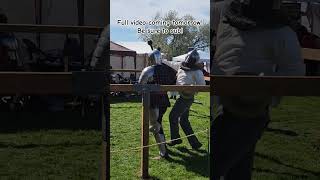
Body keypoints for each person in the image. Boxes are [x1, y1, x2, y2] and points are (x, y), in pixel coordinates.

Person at [211, 0, 305, 179]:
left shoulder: (281, 34)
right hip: (225, 106)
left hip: (250, 112)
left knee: (214, 167)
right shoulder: (225, 19)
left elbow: (295, 74)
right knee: (237, 172)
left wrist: (259, 88)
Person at [163, 50, 205, 150]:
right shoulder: (180, 66)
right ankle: (195, 143)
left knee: (173, 116)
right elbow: (170, 63)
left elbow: (202, 86)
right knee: (184, 121)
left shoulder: (197, 71)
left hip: (186, 97)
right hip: (181, 96)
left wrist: (191, 88)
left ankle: (175, 139)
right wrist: (162, 59)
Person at [138, 49, 177, 158]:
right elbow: (174, 80)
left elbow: (140, 87)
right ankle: (164, 148)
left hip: (153, 101)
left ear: (150, 59)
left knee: (155, 127)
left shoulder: (148, 70)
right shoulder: (168, 69)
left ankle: (163, 153)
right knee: (158, 124)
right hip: (164, 101)